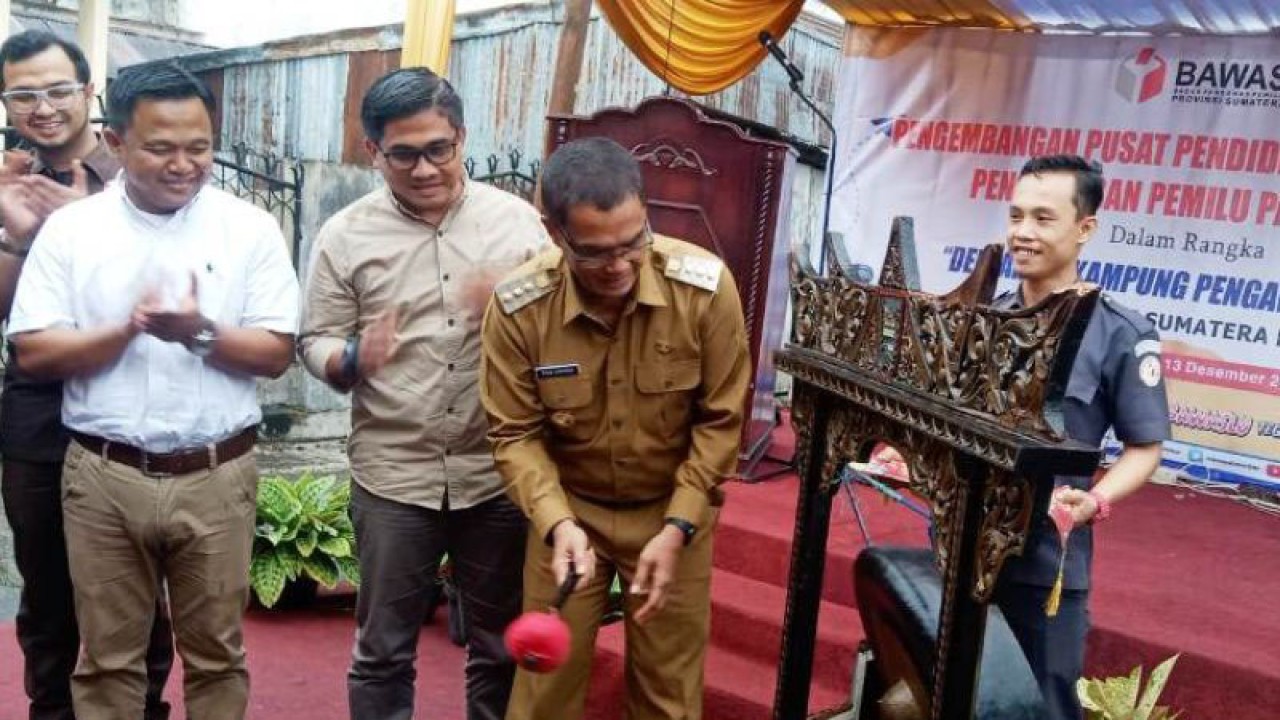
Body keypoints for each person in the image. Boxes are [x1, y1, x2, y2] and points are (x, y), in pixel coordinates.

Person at [6, 62, 298, 720]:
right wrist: (127, 330)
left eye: (198, 147)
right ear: (115, 141)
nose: (183, 164)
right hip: (103, 475)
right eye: (160, 147)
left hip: (216, 473)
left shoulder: (248, 227)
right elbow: (33, 348)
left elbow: (276, 351)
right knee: (107, 659)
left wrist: (196, 331)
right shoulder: (73, 231)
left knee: (218, 655)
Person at [298, 67, 548, 720]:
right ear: (373, 151)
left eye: (440, 148)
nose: (425, 168)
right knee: (383, 649)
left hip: (495, 473)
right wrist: (351, 358)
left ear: (462, 136)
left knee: (498, 645)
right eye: (403, 154)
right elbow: (314, 340)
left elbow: (568, 336)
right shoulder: (345, 236)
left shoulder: (519, 226)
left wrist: (518, 310)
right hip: (393, 478)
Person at [480, 137, 752, 720]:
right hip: (569, 511)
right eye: (598, 253)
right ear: (557, 235)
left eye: (635, 243)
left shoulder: (704, 291)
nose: (621, 266)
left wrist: (679, 523)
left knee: (667, 693)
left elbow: (721, 420)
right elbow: (514, 435)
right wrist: (556, 524)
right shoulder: (520, 308)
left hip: (672, 507)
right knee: (542, 696)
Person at [0, 30, 174, 720]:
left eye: (57, 90)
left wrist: (84, 228)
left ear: (88, 92)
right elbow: (8, 309)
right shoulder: (7, 181)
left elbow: (174, 290)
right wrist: (16, 233)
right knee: (46, 594)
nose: (42, 108)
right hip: (39, 414)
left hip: (131, 401)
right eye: (23, 94)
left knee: (133, 594)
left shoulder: (145, 172)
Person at [992, 155, 1170, 720]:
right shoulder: (984, 319)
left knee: (1045, 705)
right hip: (965, 548)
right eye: (1016, 215)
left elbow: (1146, 447)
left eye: (1043, 219)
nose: (1022, 232)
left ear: (1084, 228)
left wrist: (1095, 499)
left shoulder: (1120, 332)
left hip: (1048, 562)